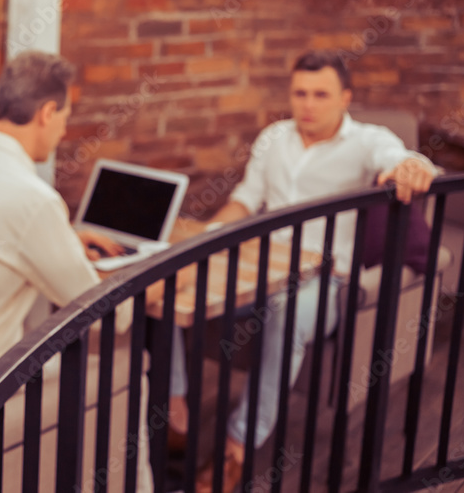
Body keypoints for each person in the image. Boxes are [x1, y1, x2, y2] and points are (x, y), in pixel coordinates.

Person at [185, 50, 436, 493]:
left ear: (345, 98)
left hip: (325, 278)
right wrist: (208, 236)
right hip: (260, 265)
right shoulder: (275, 137)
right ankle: (176, 418)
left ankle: (235, 448)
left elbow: (397, 157)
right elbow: (246, 198)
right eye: (300, 93)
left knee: (286, 317)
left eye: (321, 94)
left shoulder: (366, 140)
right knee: (169, 290)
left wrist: (412, 166)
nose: (308, 104)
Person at [0, 51, 156, 492]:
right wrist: (158, 281)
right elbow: (107, 313)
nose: (65, 130)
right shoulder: (34, 198)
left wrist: (64, 237)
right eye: (65, 116)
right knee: (131, 367)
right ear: (47, 112)